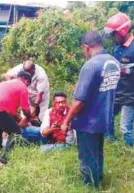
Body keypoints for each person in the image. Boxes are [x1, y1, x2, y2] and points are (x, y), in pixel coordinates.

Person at [61, 31, 120, 187]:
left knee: (87, 156)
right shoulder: (114, 62)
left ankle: (91, 186)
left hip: (88, 121)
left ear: (86, 47)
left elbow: (79, 101)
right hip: (104, 117)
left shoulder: (90, 66)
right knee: (97, 152)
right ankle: (98, 179)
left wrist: (66, 121)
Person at [0, 71, 32, 166]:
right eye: (28, 84)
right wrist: (29, 118)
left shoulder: (5, 83)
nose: (27, 86)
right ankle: (3, 161)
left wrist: (17, 118)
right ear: (26, 80)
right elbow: (26, 110)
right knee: (16, 132)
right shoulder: (22, 87)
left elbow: (9, 113)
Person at [104, 12, 134, 146]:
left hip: (131, 96)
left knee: (125, 128)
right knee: (107, 116)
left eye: (113, 34)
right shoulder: (117, 49)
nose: (111, 37)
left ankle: (128, 151)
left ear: (122, 31)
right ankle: (112, 144)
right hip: (117, 92)